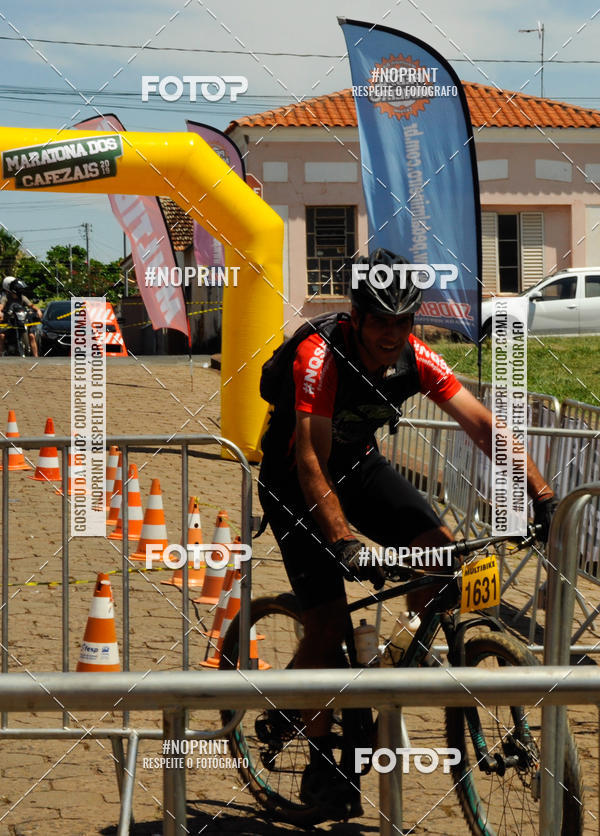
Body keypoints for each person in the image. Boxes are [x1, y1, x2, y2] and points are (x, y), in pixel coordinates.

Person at [257, 248, 557, 820]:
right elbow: (310, 461)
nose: (392, 334)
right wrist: (344, 540)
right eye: (380, 321)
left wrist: (540, 495)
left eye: (403, 321)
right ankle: (319, 751)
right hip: (296, 477)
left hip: (360, 467)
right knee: (326, 627)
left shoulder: (414, 358)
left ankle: (404, 650)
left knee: (444, 555)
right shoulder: (320, 356)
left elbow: (483, 426)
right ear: (356, 315)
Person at [0, 276, 42, 357]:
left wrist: (38, 310)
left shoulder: (22, 297)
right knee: (2, 336)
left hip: (22, 320)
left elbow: (32, 305)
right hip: (9, 322)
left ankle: (36, 357)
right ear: (9, 286)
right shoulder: (5, 298)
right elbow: (1, 306)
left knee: (32, 336)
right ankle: (1, 354)